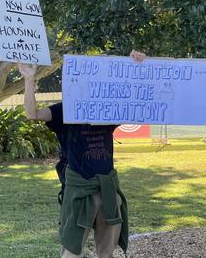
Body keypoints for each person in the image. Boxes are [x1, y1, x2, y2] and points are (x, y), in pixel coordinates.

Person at [18, 50, 146, 258]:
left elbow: (140, 105)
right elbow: (32, 114)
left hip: (107, 189)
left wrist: (137, 69)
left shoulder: (108, 109)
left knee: (107, 253)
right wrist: (29, 79)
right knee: (71, 251)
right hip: (79, 190)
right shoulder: (65, 109)